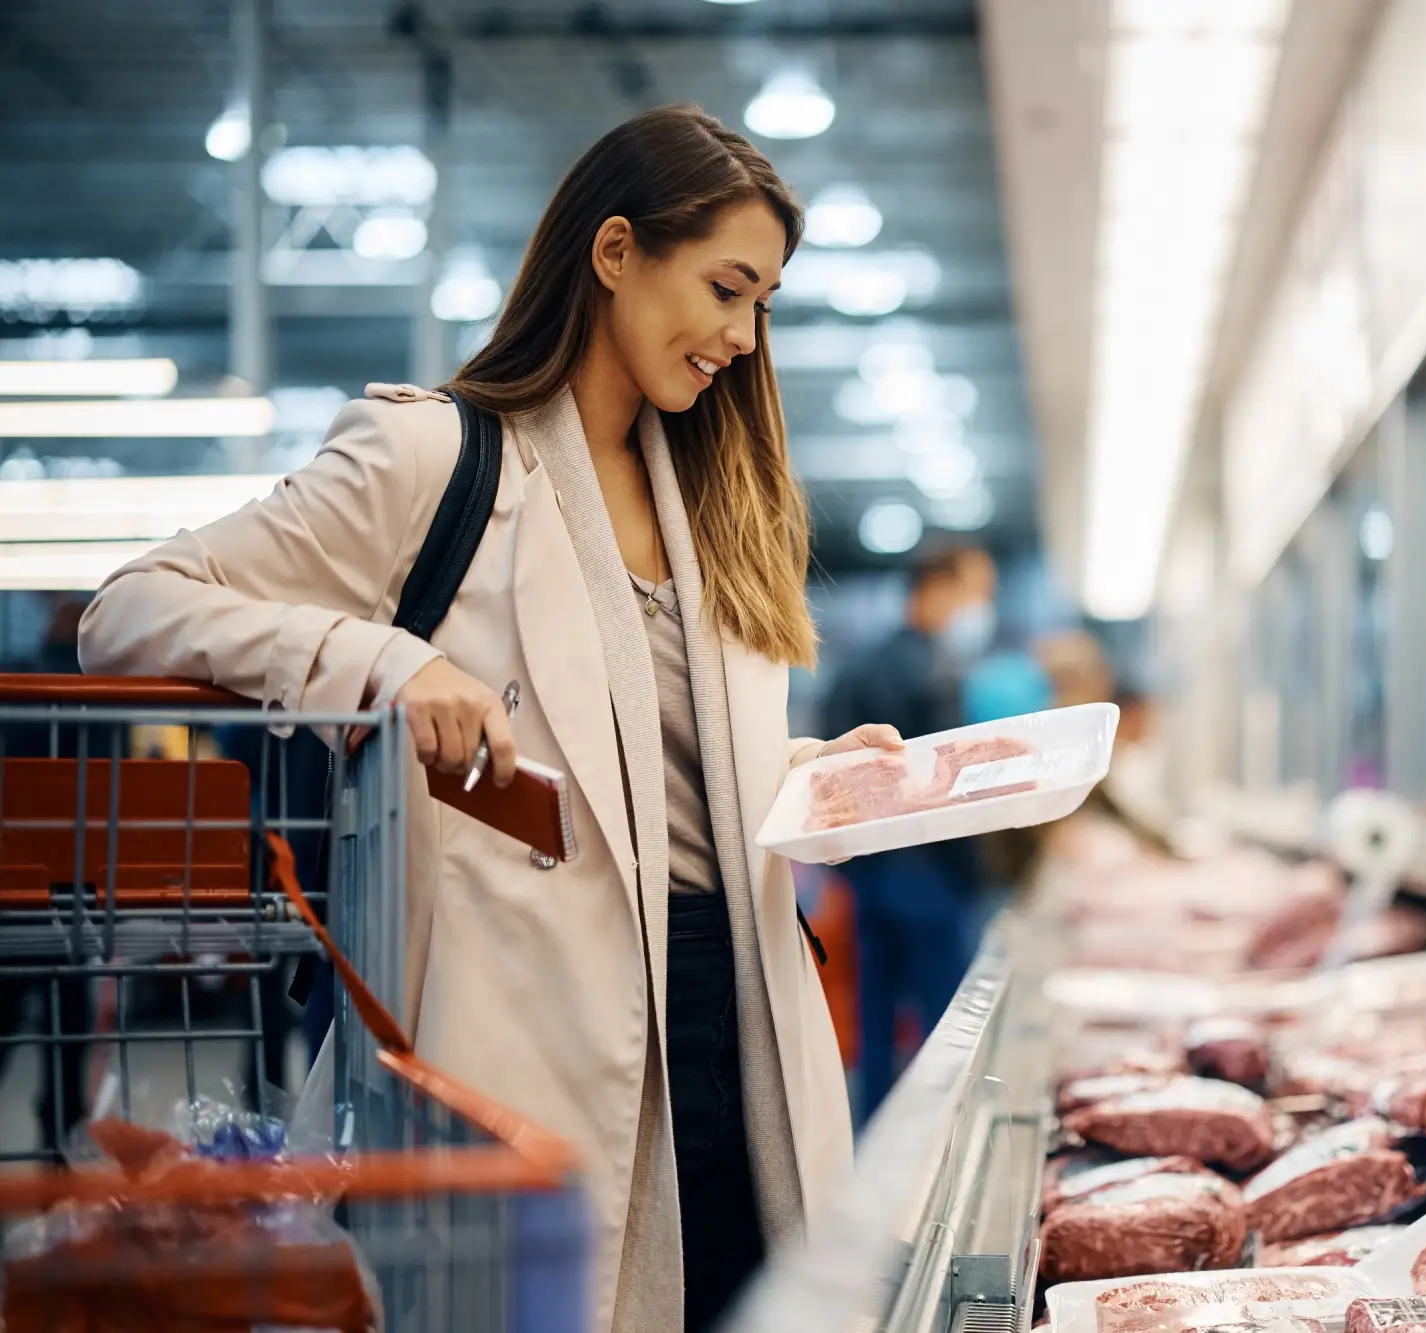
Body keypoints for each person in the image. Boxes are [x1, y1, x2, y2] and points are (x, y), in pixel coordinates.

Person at [77, 104, 901, 1333]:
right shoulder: (431, 458)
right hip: (531, 1031)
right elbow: (129, 608)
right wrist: (384, 663)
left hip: (737, 1029)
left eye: (761, 303)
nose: (740, 334)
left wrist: (812, 773)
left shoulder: (716, 496)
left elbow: (646, 775)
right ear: (613, 251)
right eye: (725, 287)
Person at [818, 543, 995, 1120]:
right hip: (930, 875)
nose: (979, 606)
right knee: (944, 1024)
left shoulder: (858, 665)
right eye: (976, 591)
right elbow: (950, 782)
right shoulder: (934, 669)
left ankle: (873, 1138)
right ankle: (939, 1137)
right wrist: (977, 875)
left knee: (875, 1015)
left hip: (866, 869)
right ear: (940, 584)